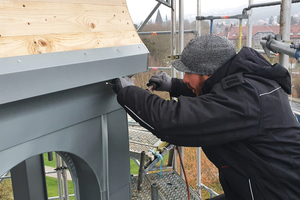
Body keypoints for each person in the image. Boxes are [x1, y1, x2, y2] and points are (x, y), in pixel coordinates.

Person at [110, 35, 300, 200]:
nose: (185, 79)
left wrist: (128, 93)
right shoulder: (248, 83)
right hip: (257, 188)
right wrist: (173, 86)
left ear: (209, 72)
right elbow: (215, 96)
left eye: (188, 72)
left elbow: (172, 122)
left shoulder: (246, 100)